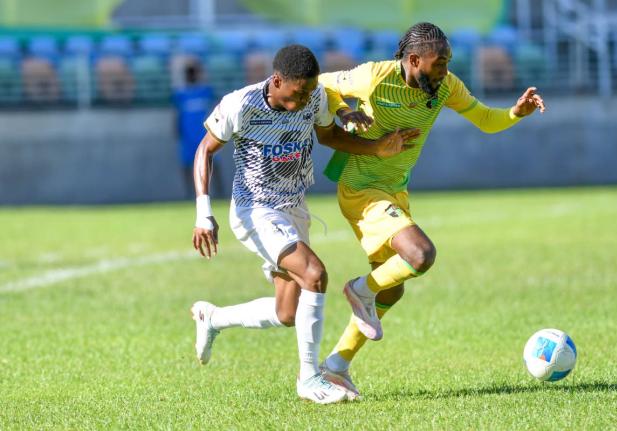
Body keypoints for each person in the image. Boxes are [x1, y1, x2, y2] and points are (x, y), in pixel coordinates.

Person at [317, 22, 546, 399]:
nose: (445, 71)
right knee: (420, 254)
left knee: (393, 291)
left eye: (448, 62)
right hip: (360, 189)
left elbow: (485, 119)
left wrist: (515, 113)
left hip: (394, 191)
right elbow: (322, 84)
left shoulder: (446, 87)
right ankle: (359, 290)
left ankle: (337, 366)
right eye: (439, 63)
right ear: (413, 60)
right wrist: (343, 112)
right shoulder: (375, 76)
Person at [189, 44, 419, 404]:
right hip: (256, 210)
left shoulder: (314, 98)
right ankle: (310, 379)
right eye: (298, 92)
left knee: (287, 312)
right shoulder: (241, 104)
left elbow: (329, 137)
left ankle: (212, 318)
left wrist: (375, 146)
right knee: (314, 274)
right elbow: (205, 150)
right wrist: (204, 212)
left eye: (311, 91)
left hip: (294, 207)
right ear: (277, 80)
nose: (306, 99)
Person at [172, 63, 223, 199]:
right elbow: (177, 113)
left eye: (193, 73)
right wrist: (177, 130)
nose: (191, 76)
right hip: (188, 136)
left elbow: (216, 109)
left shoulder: (206, 91)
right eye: (189, 74)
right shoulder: (180, 94)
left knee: (213, 162)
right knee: (187, 165)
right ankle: (189, 193)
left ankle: (219, 192)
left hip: (205, 134)